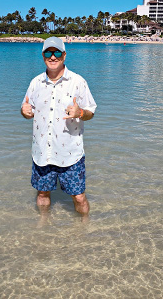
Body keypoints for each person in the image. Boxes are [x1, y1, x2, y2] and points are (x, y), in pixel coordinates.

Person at [21, 36, 97, 219]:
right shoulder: (35, 83)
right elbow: (26, 110)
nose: (52, 57)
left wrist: (80, 113)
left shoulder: (78, 81)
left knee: (79, 197)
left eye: (56, 53)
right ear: (43, 56)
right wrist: (24, 112)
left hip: (70, 153)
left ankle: (84, 227)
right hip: (42, 151)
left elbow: (91, 112)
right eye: (48, 52)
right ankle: (44, 224)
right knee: (42, 194)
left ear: (64, 55)